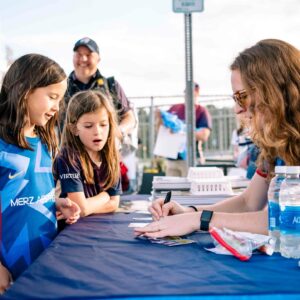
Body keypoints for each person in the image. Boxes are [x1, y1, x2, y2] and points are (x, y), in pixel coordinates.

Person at [134, 39, 300, 238]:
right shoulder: (276, 143)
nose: (238, 108)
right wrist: (190, 212)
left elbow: (286, 219)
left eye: (242, 96)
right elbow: (248, 202)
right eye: (235, 98)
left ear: (273, 92)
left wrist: (200, 220)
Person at [0, 54, 81, 293]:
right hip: (8, 271)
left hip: (43, 264)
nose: (57, 107)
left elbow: (24, 195)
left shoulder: (45, 140)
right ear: (24, 90)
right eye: (52, 97)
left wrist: (53, 203)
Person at [60, 37, 137, 191]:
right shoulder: (61, 87)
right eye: (78, 54)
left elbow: (130, 117)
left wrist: (117, 132)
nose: (83, 58)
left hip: (106, 160)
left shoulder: (111, 85)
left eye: (88, 54)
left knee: (112, 202)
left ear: (98, 58)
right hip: (72, 162)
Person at [54, 90, 121, 218]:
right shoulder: (69, 157)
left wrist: (89, 206)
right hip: (65, 231)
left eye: (103, 125)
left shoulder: (112, 156)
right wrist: (105, 196)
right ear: (74, 129)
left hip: (95, 227)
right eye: (89, 126)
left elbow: (114, 204)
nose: (97, 131)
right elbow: (81, 208)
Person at [163, 83, 212, 177]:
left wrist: (182, 132)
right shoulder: (175, 108)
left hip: (190, 160)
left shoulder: (201, 111)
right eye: (186, 92)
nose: (187, 95)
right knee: (171, 190)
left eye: (191, 92)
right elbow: (162, 126)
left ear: (197, 93)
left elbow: (204, 135)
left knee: (188, 190)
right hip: (171, 159)